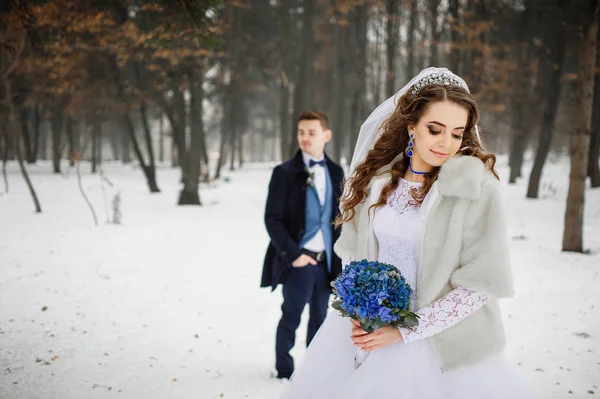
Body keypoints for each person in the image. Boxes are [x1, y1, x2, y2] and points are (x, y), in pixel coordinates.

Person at [280, 68, 533, 398]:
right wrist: (359, 313)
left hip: (441, 344)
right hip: (368, 329)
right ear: (412, 126)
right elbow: (355, 258)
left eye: (457, 134)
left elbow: (479, 287)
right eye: (435, 129)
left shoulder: (478, 189)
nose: (446, 143)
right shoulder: (377, 183)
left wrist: (404, 331)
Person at [261, 110, 345, 380]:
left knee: (319, 320)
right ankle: (284, 370)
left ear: (326, 136)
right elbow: (272, 219)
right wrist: (293, 254)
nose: (305, 138)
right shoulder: (284, 173)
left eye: (312, 132)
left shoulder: (335, 171)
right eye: (301, 132)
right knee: (291, 316)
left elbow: (338, 218)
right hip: (299, 260)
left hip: (326, 263)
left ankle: (312, 371)